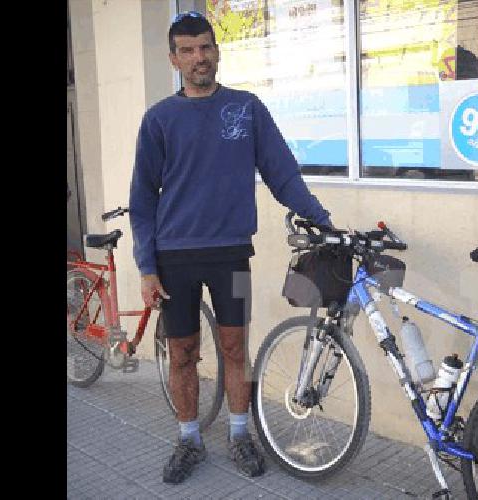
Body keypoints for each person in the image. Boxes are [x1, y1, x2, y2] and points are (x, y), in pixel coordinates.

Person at [128, 10, 334, 484]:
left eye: (206, 47)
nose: (199, 57)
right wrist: (146, 267)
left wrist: (322, 219)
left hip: (231, 254)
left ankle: (240, 435)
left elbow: (282, 174)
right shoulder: (159, 119)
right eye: (188, 50)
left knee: (235, 346)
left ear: (216, 51)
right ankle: (188, 440)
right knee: (181, 353)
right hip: (174, 257)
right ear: (174, 59)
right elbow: (141, 201)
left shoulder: (247, 108)